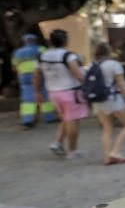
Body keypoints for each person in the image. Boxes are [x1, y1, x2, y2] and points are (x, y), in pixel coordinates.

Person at [34, 29, 87, 159]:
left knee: (66, 118)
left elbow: (36, 76)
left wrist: (37, 92)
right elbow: (79, 75)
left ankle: (57, 142)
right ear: (65, 41)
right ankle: (72, 151)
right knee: (73, 121)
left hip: (53, 93)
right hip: (71, 92)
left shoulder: (42, 56)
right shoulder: (69, 56)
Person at [91, 42, 125, 166]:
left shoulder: (94, 65)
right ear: (109, 52)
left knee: (107, 128)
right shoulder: (114, 64)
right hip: (113, 100)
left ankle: (107, 157)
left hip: (99, 101)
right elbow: (121, 85)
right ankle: (115, 152)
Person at [13, 33, 57, 128]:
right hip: (39, 75)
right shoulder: (41, 49)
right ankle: (49, 118)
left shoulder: (17, 52)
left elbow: (15, 67)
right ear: (35, 40)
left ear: (24, 41)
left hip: (24, 77)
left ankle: (27, 120)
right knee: (45, 96)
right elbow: (47, 61)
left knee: (27, 99)